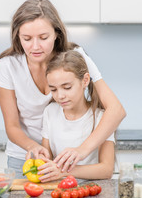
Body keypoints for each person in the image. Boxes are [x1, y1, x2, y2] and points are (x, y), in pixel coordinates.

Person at [0, 0, 125, 178]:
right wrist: (33, 147)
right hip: (24, 158)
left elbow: (116, 110)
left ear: (56, 34)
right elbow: (12, 126)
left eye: (43, 37)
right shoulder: (8, 66)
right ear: (17, 36)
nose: (35, 46)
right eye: (27, 39)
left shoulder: (74, 57)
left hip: (70, 159)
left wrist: (81, 151)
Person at [37, 51, 115, 182]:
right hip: (59, 190)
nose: (60, 96)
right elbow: (47, 157)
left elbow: (106, 170)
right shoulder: (50, 111)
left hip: (91, 190)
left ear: (85, 81)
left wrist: (64, 171)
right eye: (54, 89)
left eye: (67, 87)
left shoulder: (101, 117)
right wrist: (40, 158)